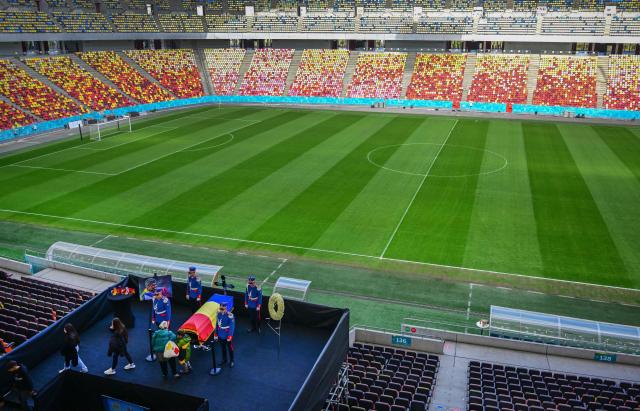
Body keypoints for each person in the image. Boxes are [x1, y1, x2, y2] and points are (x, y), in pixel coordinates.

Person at [214, 301, 235, 368]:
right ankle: (224, 359)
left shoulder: (230, 315)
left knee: (230, 348)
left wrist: (230, 336)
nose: (222, 310)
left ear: (226, 308)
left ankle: (232, 361)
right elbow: (217, 324)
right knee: (223, 348)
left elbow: (232, 326)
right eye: (221, 309)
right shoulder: (218, 314)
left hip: (227, 335)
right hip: (220, 334)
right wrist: (215, 334)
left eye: (223, 309)